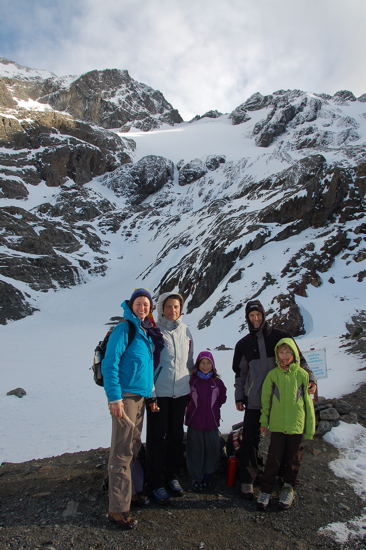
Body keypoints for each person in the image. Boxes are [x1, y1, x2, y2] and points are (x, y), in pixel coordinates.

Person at [233, 299, 317, 499]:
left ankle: (284, 477)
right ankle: (248, 480)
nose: (255, 319)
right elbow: (240, 374)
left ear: (264, 315)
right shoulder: (243, 344)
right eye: (251, 316)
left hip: (282, 400)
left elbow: (300, 361)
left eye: (258, 315)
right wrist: (239, 396)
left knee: (285, 441)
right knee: (250, 440)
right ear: (247, 318)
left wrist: (311, 379)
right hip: (254, 400)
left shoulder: (281, 337)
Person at [102, 288, 164, 529]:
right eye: (139, 303)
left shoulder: (145, 331)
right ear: (131, 304)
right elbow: (110, 363)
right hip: (125, 398)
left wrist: (149, 397)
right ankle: (117, 509)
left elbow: (145, 370)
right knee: (121, 451)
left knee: (133, 447)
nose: (143, 307)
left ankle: (129, 494)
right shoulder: (125, 328)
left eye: (147, 304)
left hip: (139, 398)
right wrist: (114, 398)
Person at [146, 292, 194, 504]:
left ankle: (172, 476)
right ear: (161, 309)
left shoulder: (186, 331)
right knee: (157, 438)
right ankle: (155, 482)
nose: (173, 310)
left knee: (176, 436)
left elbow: (189, 362)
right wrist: (152, 393)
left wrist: (193, 387)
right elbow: (148, 365)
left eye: (176, 307)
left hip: (181, 392)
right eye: (168, 307)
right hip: (160, 393)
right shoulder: (155, 332)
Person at [256, 338, 316, 510]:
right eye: (281, 352)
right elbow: (265, 401)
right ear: (277, 354)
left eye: (288, 352)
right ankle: (266, 489)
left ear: (294, 354)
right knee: (273, 458)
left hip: (296, 425)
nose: (284, 356)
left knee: (294, 458)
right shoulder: (273, 375)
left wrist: (310, 428)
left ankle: (289, 487)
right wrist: (263, 422)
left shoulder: (302, 375)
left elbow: (308, 403)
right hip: (277, 425)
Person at [185, 351, 227, 491]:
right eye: (202, 363)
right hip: (195, 422)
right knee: (195, 449)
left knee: (211, 449)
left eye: (208, 363)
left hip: (211, 423)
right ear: (197, 364)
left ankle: (207, 476)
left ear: (213, 365)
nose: (205, 366)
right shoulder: (192, 381)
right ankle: (197, 477)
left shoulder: (217, 383)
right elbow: (187, 399)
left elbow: (222, 399)